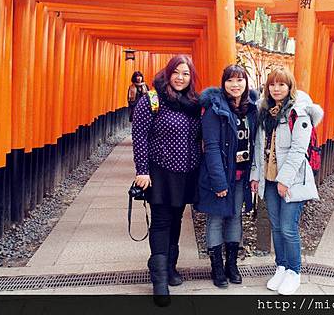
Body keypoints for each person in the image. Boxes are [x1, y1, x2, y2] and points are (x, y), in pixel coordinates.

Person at [131, 55, 202, 300]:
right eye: (177, 72)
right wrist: (142, 171)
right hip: (160, 170)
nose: (180, 78)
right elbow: (139, 136)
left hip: (186, 171)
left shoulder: (193, 102)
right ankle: (159, 279)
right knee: (162, 220)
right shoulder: (152, 99)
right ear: (168, 73)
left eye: (186, 74)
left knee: (177, 219)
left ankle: (171, 267)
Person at [250, 67, 323, 295]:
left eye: (281, 84)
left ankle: (294, 271)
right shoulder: (264, 112)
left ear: (290, 86)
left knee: (289, 227)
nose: (276, 89)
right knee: (277, 226)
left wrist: (285, 181)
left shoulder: (298, 112)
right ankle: (281, 267)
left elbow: (298, 150)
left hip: (290, 180)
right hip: (269, 179)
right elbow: (259, 148)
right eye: (272, 84)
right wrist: (255, 175)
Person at [195, 64, 259, 288]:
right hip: (221, 175)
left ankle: (232, 264)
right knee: (216, 218)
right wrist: (219, 181)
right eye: (230, 80)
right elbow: (211, 147)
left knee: (235, 216)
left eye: (240, 80)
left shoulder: (251, 109)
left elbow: (255, 142)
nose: (235, 85)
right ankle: (217, 267)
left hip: (241, 175)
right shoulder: (215, 109)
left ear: (246, 83)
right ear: (223, 84)